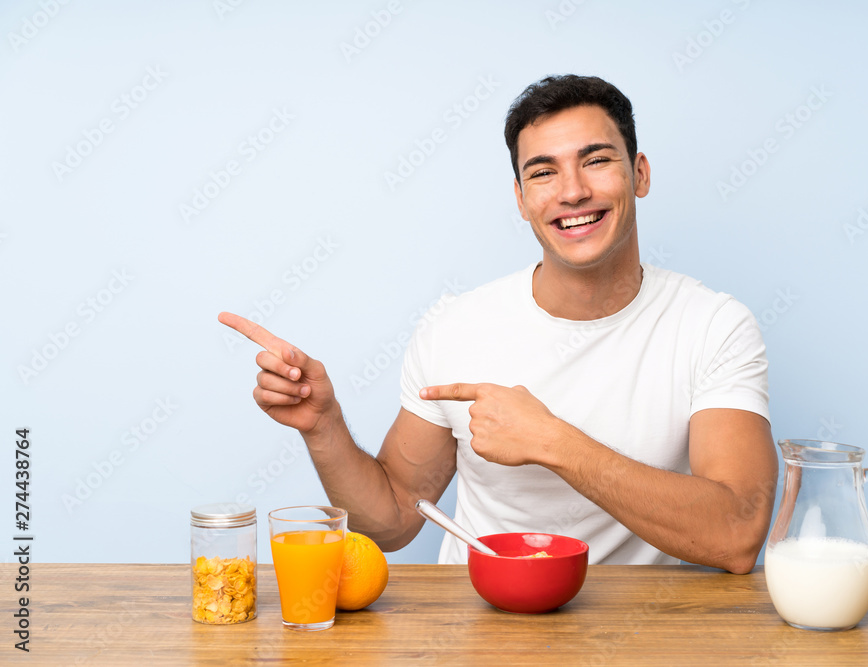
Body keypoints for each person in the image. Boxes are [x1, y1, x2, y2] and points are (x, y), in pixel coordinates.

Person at [220, 74, 777, 573]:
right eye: (543, 172)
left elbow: (737, 536)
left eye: (597, 160)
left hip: (638, 634)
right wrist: (325, 426)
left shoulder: (714, 327)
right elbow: (391, 520)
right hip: (480, 631)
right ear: (520, 199)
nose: (572, 191)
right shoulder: (457, 328)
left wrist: (553, 441)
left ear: (640, 174)